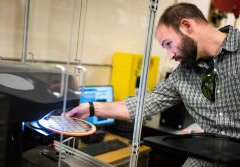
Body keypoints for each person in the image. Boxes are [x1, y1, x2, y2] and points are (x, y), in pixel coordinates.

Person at [64, 3, 240, 167]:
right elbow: (144, 104)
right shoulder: (182, 74)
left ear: (187, 26)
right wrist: (91, 108)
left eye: (168, 44)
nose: (170, 55)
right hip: (207, 157)